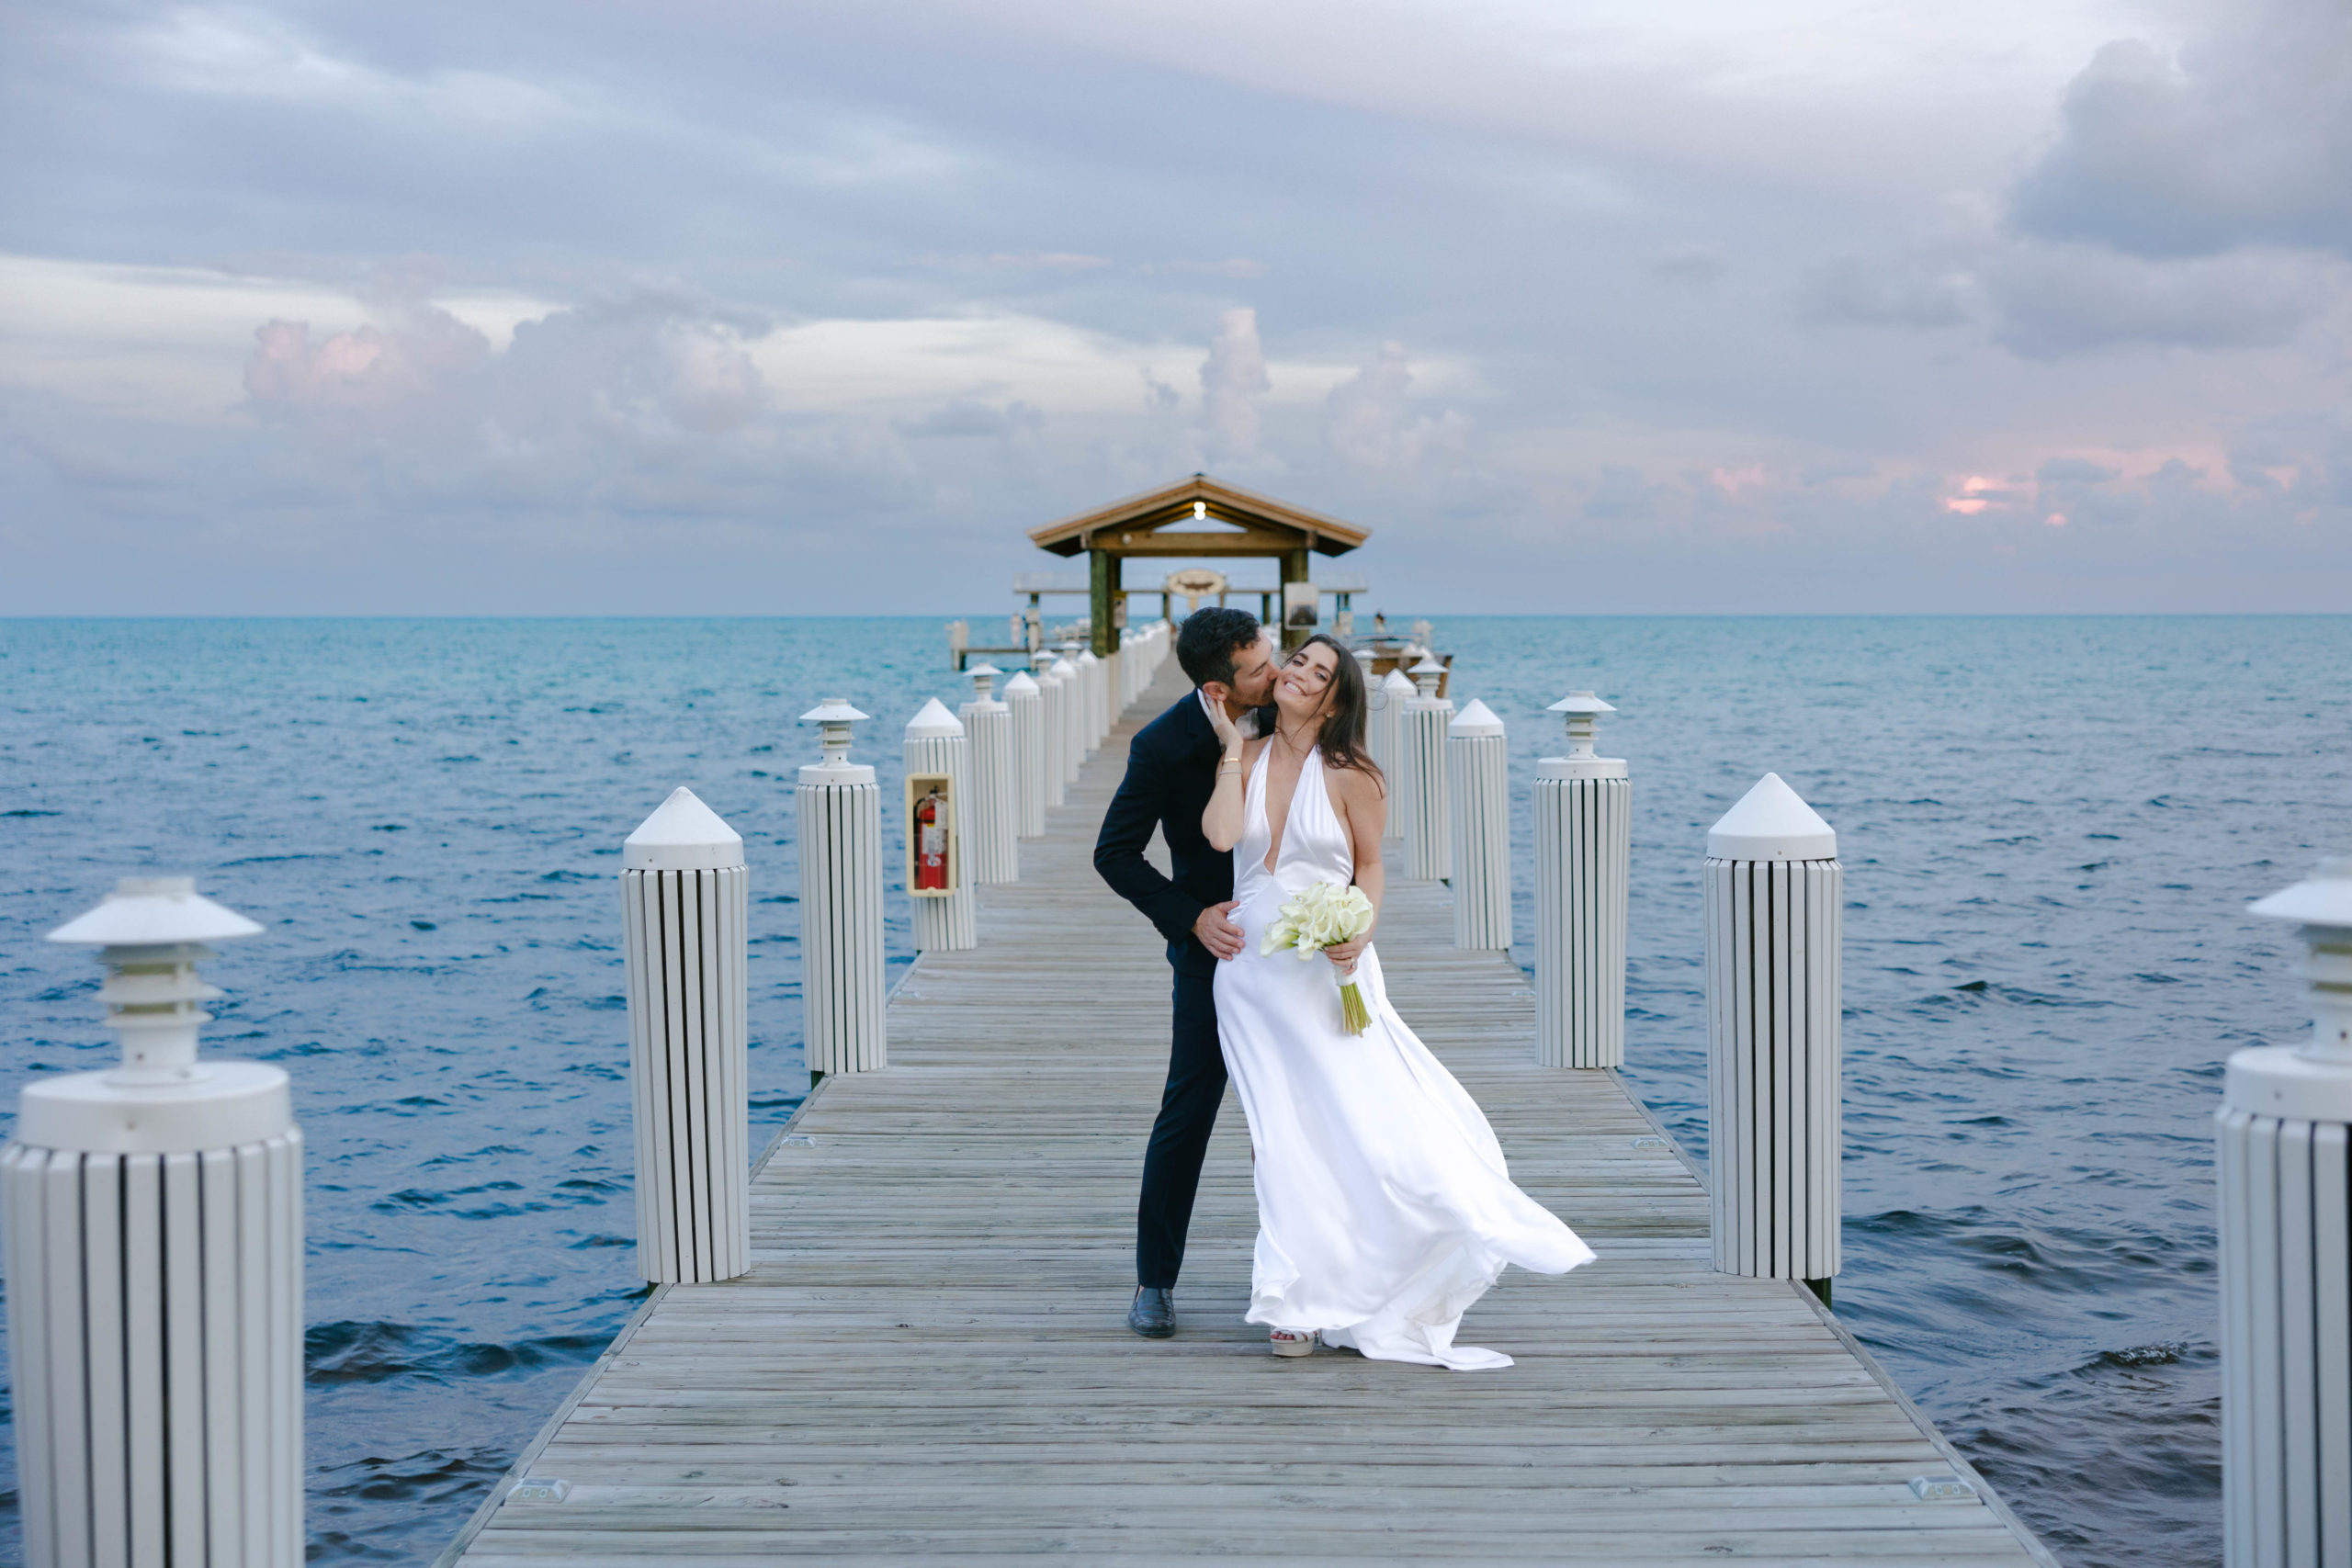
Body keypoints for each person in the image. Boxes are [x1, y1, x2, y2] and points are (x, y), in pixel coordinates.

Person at [1201, 634, 1594, 1368]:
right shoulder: (1244, 760)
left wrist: (1360, 926)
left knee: (1355, 1123)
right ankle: (1294, 1303)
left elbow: (1371, 865)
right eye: (1297, 662)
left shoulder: (1355, 775)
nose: (1300, 674)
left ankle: (1385, 1262)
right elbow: (1223, 834)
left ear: (1335, 698)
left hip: (1327, 971)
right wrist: (1229, 743)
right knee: (1277, 1136)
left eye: (1320, 673)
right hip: (1251, 978)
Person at [1094, 607, 1279, 1337]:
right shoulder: (1163, 743)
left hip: (1295, 948)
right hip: (1215, 950)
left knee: (1301, 1114)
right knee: (1187, 1113)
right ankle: (1154, 1280)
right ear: (1219, 686)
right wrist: (1189, 915)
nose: (1277, 673)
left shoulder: (1287, 721)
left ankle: (1310, 1279)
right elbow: (1114, 853)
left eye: (1272, 656)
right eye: (1261, 668)